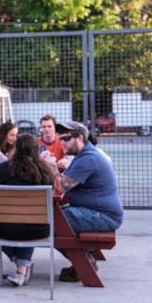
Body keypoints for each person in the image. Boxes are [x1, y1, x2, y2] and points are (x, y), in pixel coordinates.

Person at [0, 133, 57, 286]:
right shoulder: (45, 173)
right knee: (28, 222)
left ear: (16, 149)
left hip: (4, 228)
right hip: (38, 229)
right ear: (36, 150)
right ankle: (22, 268)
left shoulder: (1, 170)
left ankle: (21, 267)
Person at [55, 121, 124, 282]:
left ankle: (84, 262)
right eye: (61, 139)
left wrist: (50, 166)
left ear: (79, 138)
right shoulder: (84, 156)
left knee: (52, 223)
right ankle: (83, 258)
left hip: (104, 217)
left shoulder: (89, 158)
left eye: (66, 138)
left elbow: (62, 186)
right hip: (97, 213)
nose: (62, 142)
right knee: (55, 218)